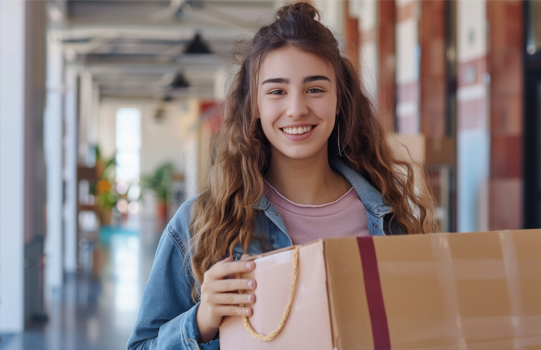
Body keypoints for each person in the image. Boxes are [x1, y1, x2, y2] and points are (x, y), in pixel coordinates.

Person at [127, 3, 438, 350]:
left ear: (339, 100)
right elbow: (141, 345)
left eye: (315, 89)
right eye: (277, 91)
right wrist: (202, 320)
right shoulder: (200, 223)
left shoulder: (392, 219)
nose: (296, 109)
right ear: (255, 105)